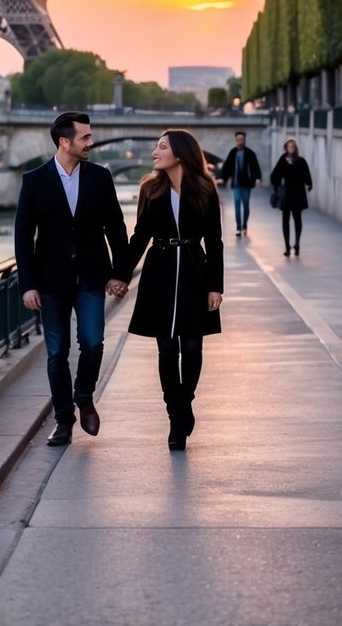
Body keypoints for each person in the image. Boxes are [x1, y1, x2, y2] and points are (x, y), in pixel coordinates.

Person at [14, 111, 129, 446]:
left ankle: (83, 395)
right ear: (65, 141)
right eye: (85, 138)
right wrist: (28, 284)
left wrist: (120, 273)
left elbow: (117, 229)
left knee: (93, 343)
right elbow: (23, 236)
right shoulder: (34, 180)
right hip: (50, 281)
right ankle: (63, 421)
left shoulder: (100, 177)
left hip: (92, 277)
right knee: (56, 352)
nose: (90, 143)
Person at [111, 129, 223, 451]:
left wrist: (215, 286)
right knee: (166, 349)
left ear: (180, 153)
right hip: (158, 273)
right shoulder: (150, 189)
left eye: (161, 147)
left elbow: (214, 242)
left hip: (194, 272)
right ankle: (175, 416)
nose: (154, 153)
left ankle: (185, 400)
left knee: (191, 347)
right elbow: (139, 237)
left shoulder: (204, 189)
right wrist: (121, 275)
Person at [270, 138, 312, 257]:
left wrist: (309, 184)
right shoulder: (283, 160)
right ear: (286, 147)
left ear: (295, 148)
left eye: (292, 146)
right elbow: (275, 175)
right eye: (288, 146)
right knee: (285, 220)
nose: (290, 148)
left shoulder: (300, 161)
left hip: (298, 194)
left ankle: (297, 243)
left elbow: (307, 176)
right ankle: (287, 247)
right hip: (287, 194)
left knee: (297, 219)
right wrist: (277, 188)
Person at [218, 131, 262, 235]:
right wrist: (222, 178)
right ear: (235, 140)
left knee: (246, 205)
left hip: (246, 184)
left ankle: (245, 225)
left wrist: (258, 178)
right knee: (237, 204)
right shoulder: (233, 153)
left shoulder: (250, 153)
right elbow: (226, 167)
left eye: (241, 140)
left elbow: (255, 167)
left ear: (244, 140)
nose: (240, 142)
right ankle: (238, 227)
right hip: (236, 184)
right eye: (238, 140)